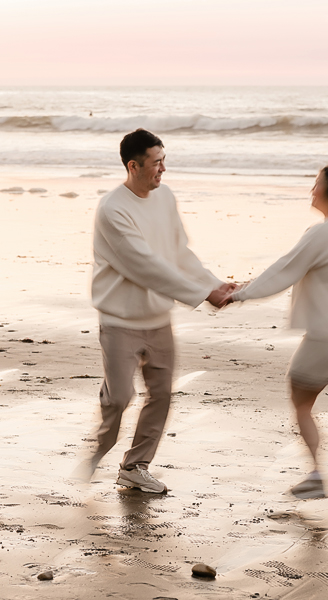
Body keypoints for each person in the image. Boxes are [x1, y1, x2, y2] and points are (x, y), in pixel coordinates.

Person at [81, 128, 234, 494]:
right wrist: (203, 294)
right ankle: (99, 449)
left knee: (161, 395)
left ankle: (135, 466)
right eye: (156, 163)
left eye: (165, 161)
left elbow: (178, 252)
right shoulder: (112, 209)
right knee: (119, 398)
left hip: (158, 319)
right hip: (120, 321)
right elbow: (146, 265)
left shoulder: (164, 198)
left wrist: (214, 283)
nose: (163, 170)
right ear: (133, 166)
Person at [222, 164, 328, 507]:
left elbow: (284, 269)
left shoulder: (322, 233)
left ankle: (316, 474)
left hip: (325, 338)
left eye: (316, 185)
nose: (312, 191)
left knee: (301, 402)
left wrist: (239, 294)